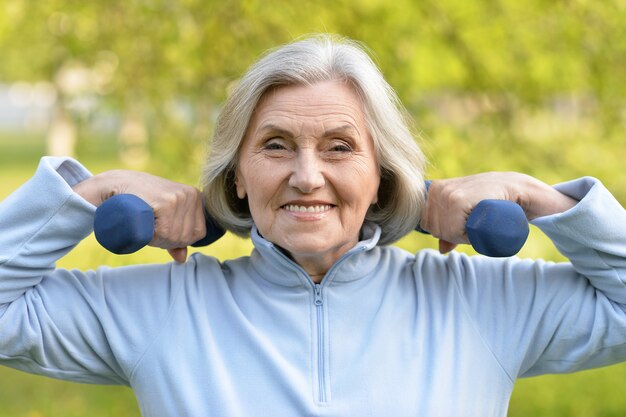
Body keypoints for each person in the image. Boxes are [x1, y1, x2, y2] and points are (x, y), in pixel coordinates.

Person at [1, 34, 626, 417]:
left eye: (339, 147)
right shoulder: (164, 309)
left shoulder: (480, 302)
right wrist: (86, 195)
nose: (306, 176)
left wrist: (534, 196)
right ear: (237, 175)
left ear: (380, 174)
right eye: (275, 145)